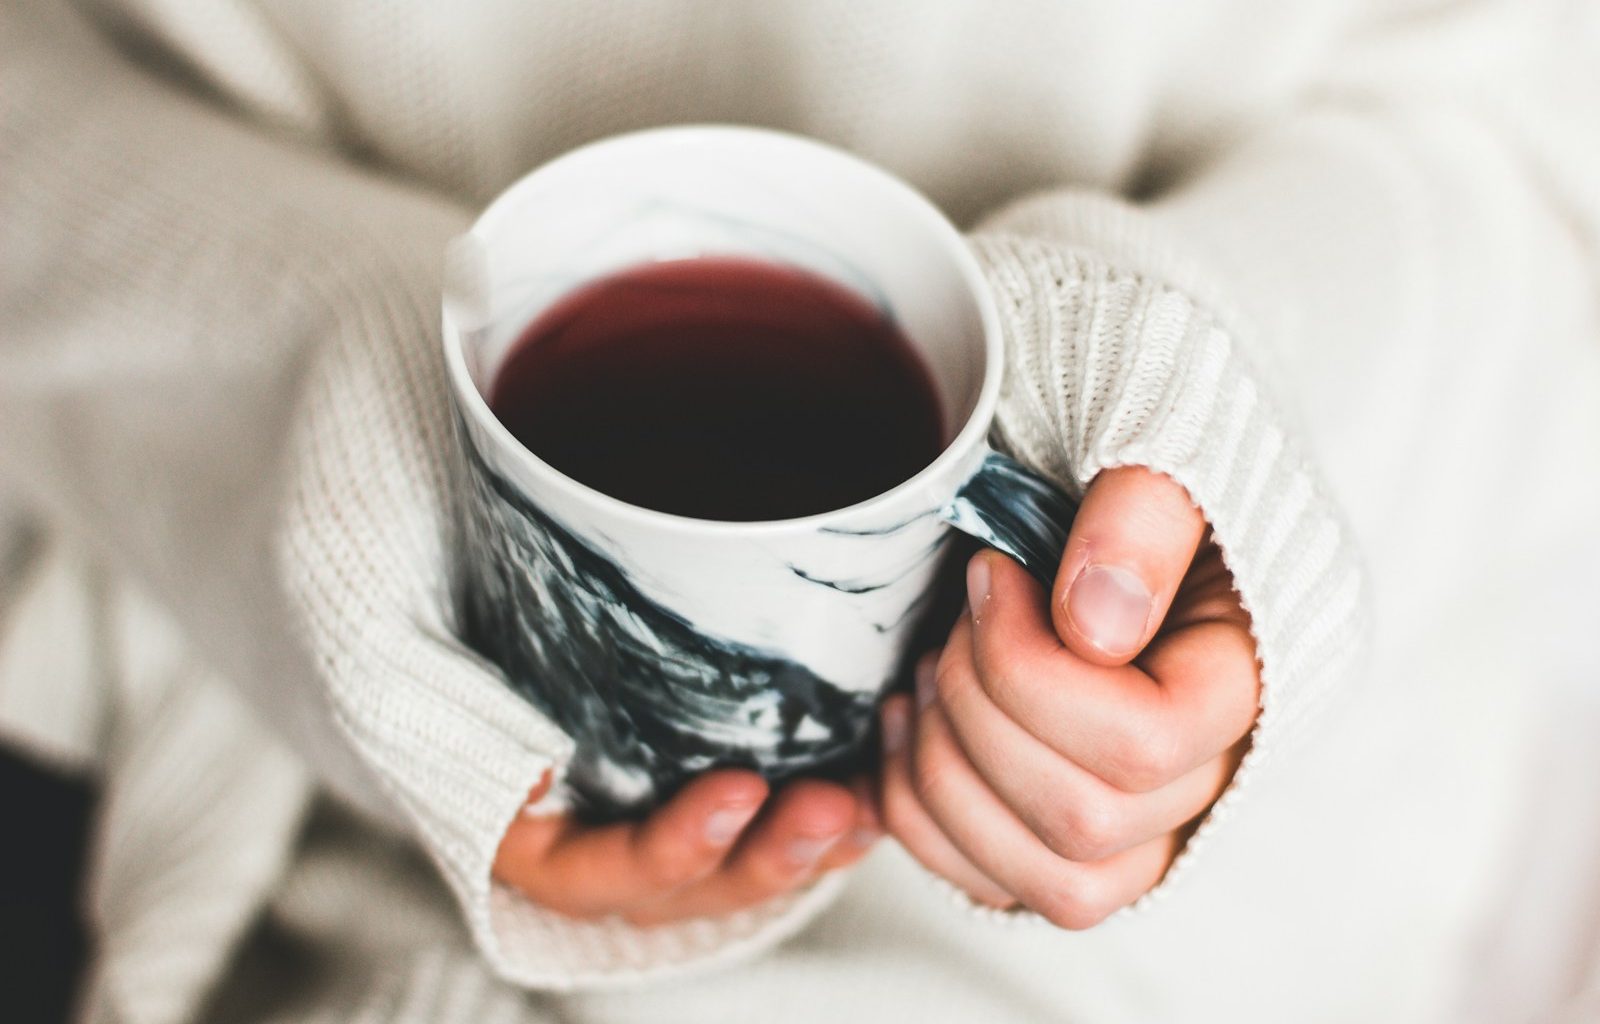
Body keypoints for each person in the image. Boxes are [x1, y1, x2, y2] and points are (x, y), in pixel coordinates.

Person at [2, 0, 1598, 1021]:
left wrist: (1211, 403)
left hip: (1211, 929)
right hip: (301, 824)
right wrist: (335, 412)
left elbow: (1532, 176)